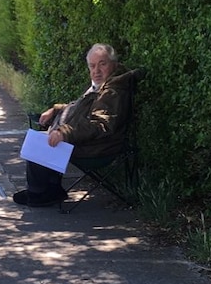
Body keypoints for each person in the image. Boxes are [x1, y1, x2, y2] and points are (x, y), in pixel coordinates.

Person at [12, 43, 138, 207]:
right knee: (40, 139)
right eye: (92, 66)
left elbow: (101, 125)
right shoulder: (103, 85)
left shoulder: (112, 91)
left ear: (114, 65)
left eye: (102, 64)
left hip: (99, 147)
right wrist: (56, 110)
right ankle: (46, 190)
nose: (96, 70)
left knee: (40, 144)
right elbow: (80, 109)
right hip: (88, 141)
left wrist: (65, 133)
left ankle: (42, 193)